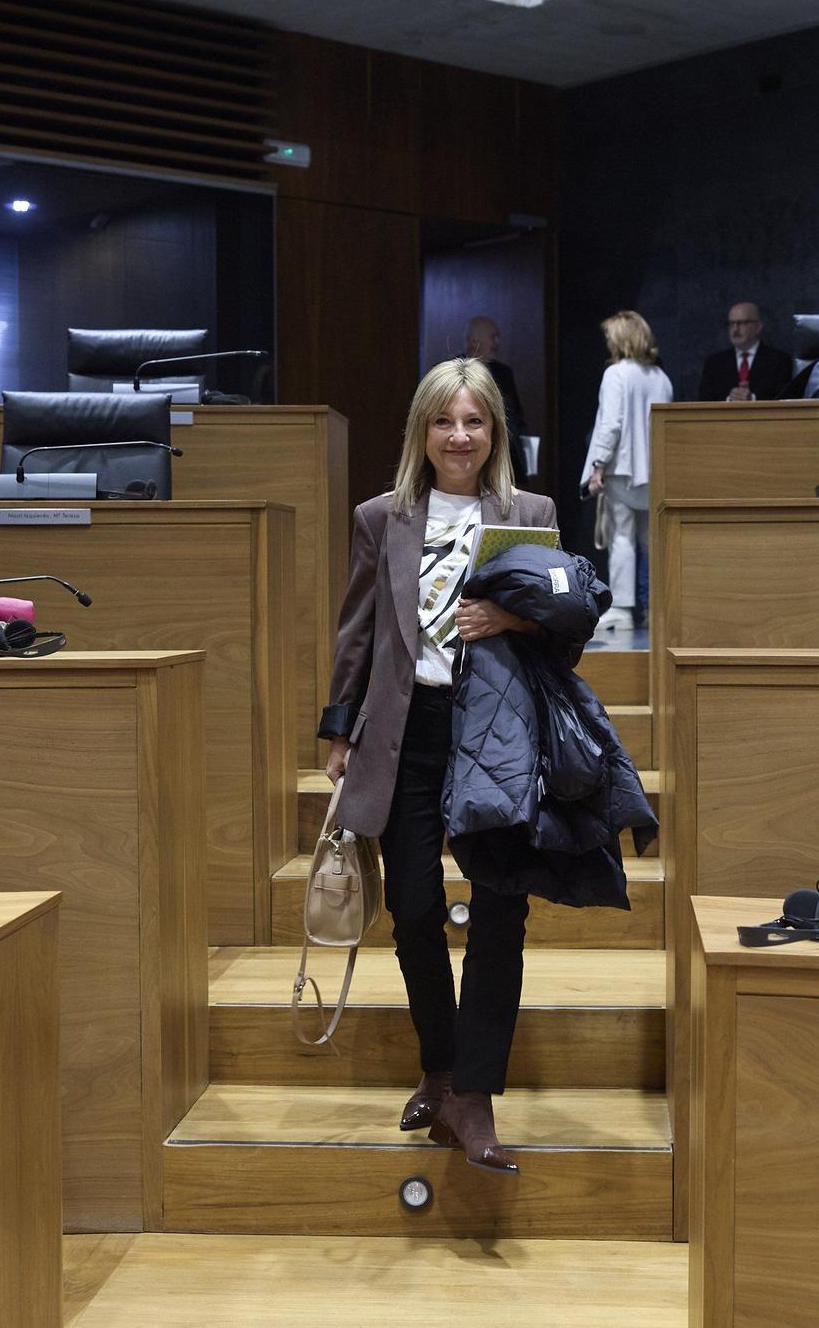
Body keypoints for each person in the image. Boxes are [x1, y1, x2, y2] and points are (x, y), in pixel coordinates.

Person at [318, 356, 558, 1176]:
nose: (460, 436)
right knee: (414, 908)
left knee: (499, 915)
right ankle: (442, 1065)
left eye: (475, 421)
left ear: (495, 431)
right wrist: (338, 729)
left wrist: (511, 618)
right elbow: (358, 631)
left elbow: (563, 626)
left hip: (494, 732)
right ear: (422, 431)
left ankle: (475, 1094)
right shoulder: (381, 515)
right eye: (445, 421)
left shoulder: (532, 511)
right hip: (408, 729)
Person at [584, 310, 672, 632]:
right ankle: (655, 607)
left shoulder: (616, 374)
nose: (607, 342)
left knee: (621, 537)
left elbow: (611, 424)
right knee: (651, 541)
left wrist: (598, 466)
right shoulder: (661, 377)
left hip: (622, 469)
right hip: (656, 472)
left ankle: (621, 609)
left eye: (609, 337)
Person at [466, 315, 531, 480]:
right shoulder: (451, 369)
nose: (497, 343)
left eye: (498, 337)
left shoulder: (504, 373)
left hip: (502, 455)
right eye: (493, 337)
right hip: (467, 450)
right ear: (474, 340)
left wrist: (525, 459)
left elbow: (517, 417)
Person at [697, 302, 795, 402]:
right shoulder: (714, 363)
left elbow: (784, 401)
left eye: (741, 323)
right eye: (731, 324)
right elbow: (704, 402)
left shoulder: (779, 361)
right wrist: (729, 400)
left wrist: (752, 399)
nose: (735, 329)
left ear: (758, 326)